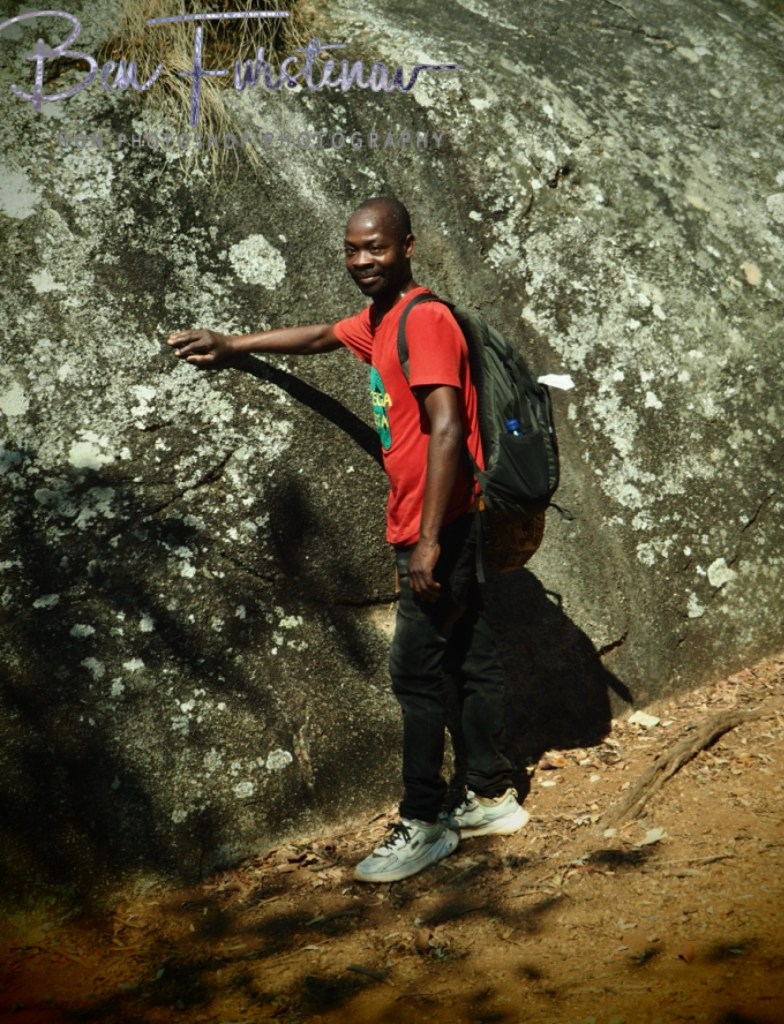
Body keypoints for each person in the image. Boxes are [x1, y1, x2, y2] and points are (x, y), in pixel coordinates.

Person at [167, 196, 529, 883]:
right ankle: (490, 795)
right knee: (470, 655)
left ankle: (423, 821)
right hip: (447, 522)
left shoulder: (422, 322)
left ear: (408, 247)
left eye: (377, 249)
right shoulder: (383, 319)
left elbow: (448, 427)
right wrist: (234, 345)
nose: (362, 261)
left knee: (414, 673)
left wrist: (425, 544)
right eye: (353, 249)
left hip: (436, 526)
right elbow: (318, 337)